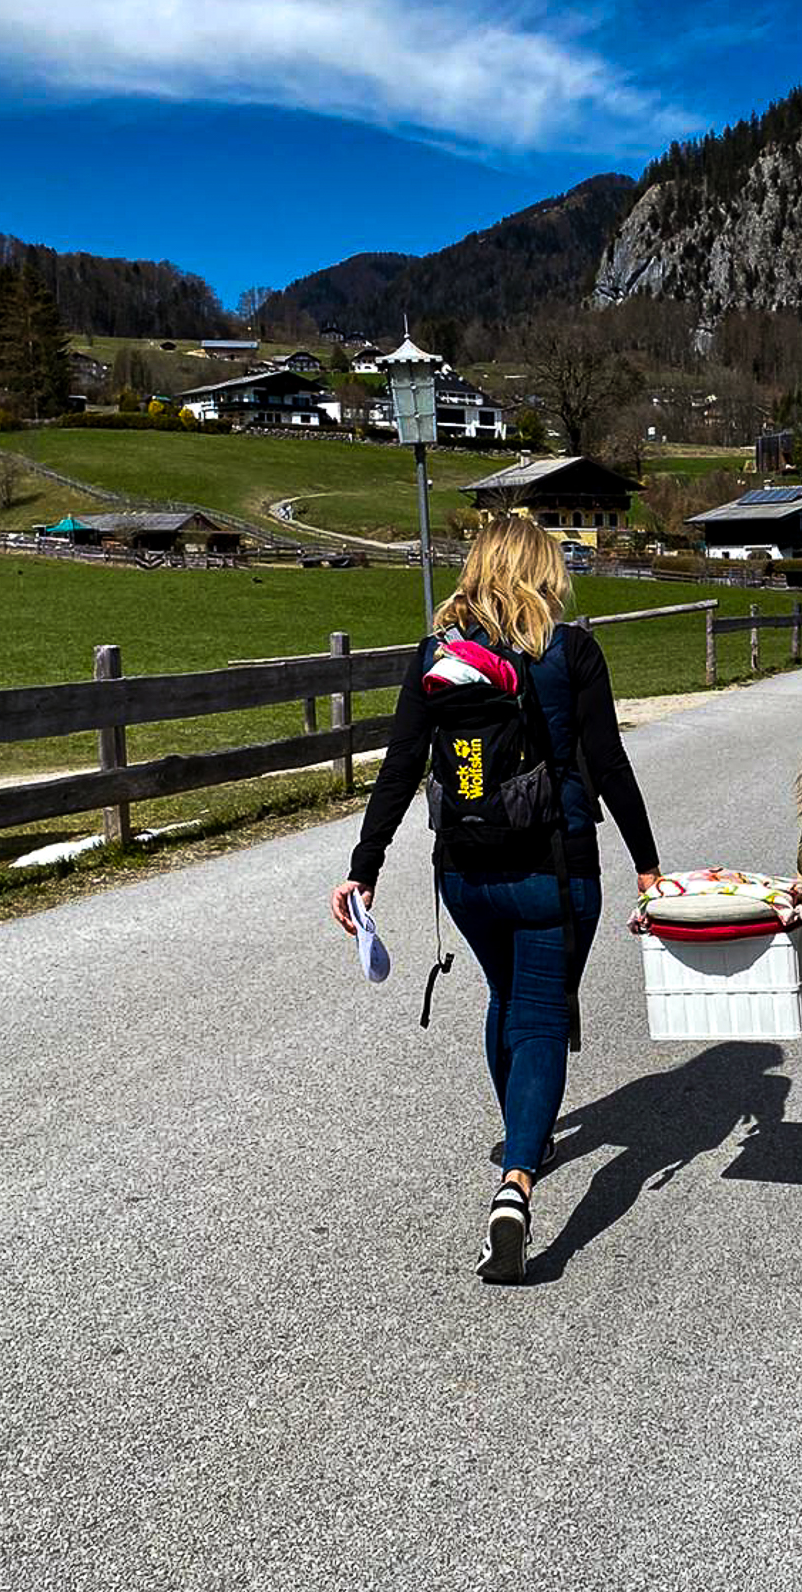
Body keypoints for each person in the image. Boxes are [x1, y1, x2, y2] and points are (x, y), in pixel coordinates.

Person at [329, 516, 661, 1286]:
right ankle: (517, 1179)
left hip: (466, 875)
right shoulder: (572, 650)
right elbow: (608, 762)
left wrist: (364, 866)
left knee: (506, 995)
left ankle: (527, 1134)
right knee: (542, 1014)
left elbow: (402, 766)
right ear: (546, 570)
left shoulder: (437, 658)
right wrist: (648, 865)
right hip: (555, 868)